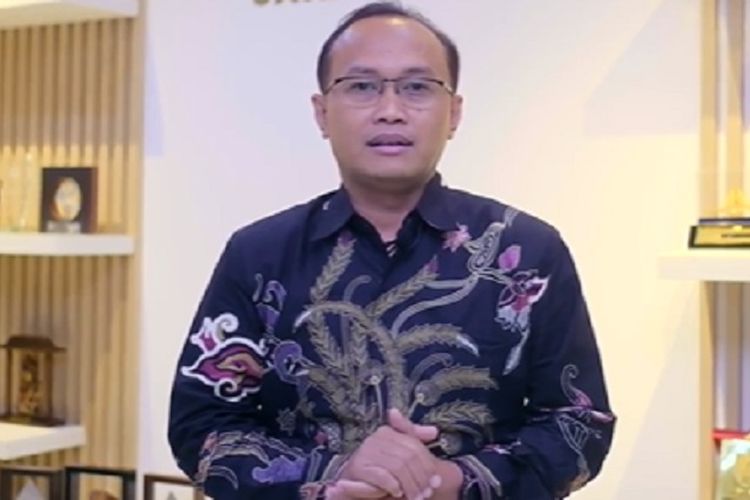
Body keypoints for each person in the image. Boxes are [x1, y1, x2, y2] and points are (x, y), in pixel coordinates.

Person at [167, 2, 615, 499]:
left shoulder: (528, 252)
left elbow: (580, 422)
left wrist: (452, 480)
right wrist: (334, 472)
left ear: (454, 113)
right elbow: (200, 426)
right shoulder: (258, 254)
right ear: (321, 112)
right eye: (362, 86)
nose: (390, 110)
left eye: (417, 87)